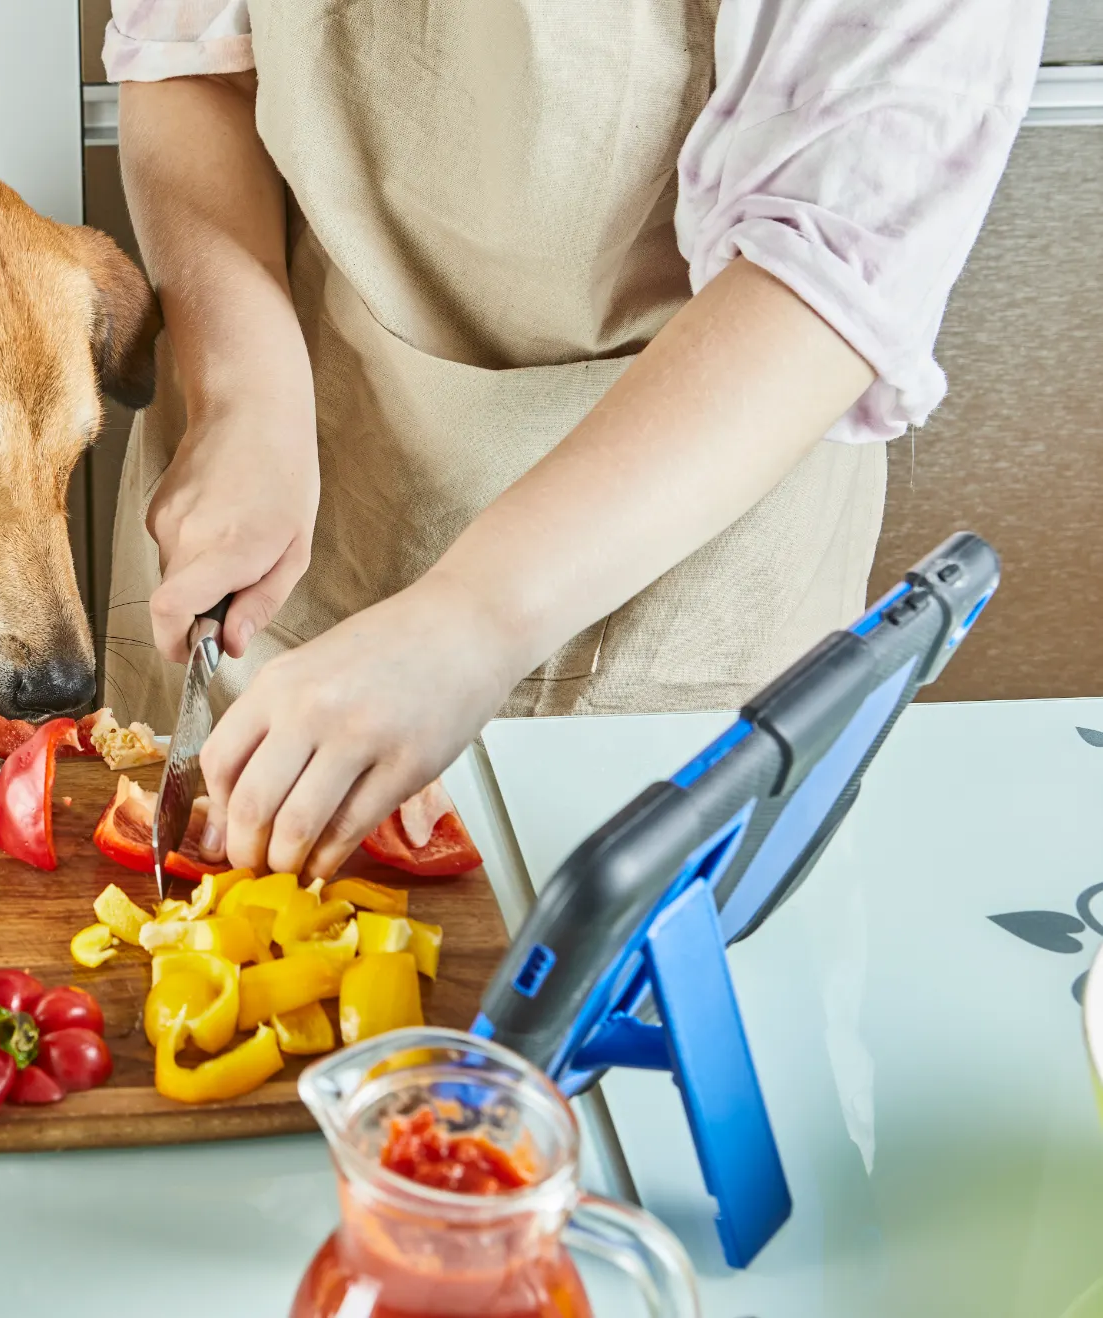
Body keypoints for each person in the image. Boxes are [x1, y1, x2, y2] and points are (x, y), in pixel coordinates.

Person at [100, 0, 1049, 879]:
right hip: (317, 443)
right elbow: (191, 61)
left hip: (686, 558)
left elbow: (827, 277)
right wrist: (241, 396)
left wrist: (469, 620)